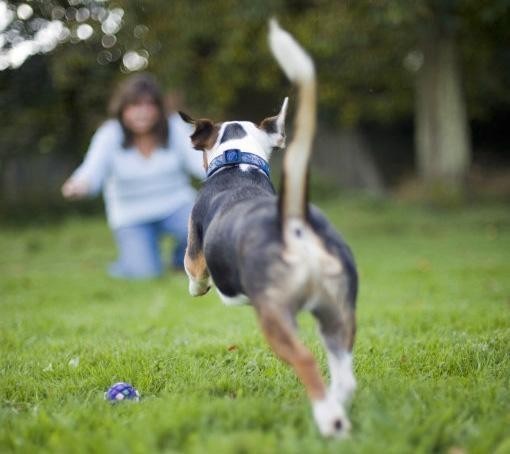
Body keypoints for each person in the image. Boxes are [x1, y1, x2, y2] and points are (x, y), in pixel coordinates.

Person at [62, 73, 204, 279]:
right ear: (123, 109)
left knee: (205, 226)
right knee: (144, 274)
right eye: (135, 105)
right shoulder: (109, 134)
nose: (142, 112)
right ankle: (127, 263)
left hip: (176, 205)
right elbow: (91, 171)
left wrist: (227, 170)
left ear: (158, 108)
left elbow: (200, 163)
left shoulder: (174, 127)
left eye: (149, 105)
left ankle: (179, 260)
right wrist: (78, 185)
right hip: (131, 216)